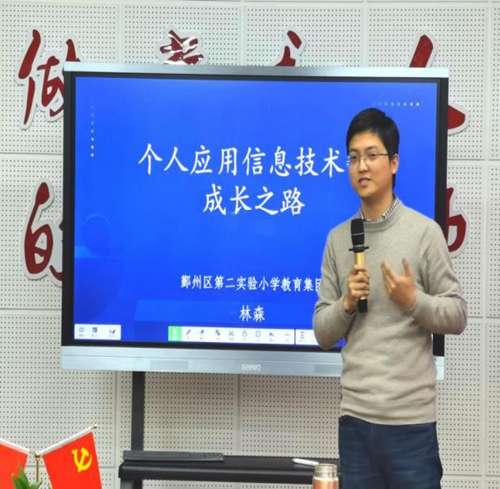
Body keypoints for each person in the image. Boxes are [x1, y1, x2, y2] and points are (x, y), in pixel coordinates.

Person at [313, 108, 467, 489]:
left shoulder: (424, 233)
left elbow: (457, 314)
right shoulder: (338, 239)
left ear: (394, 162)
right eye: (353, 157)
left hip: (410, 426)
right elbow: (322, 333)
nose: (361, 166)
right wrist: (346, 303)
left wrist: (414, 300)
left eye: (371, 155)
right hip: (355, 423)